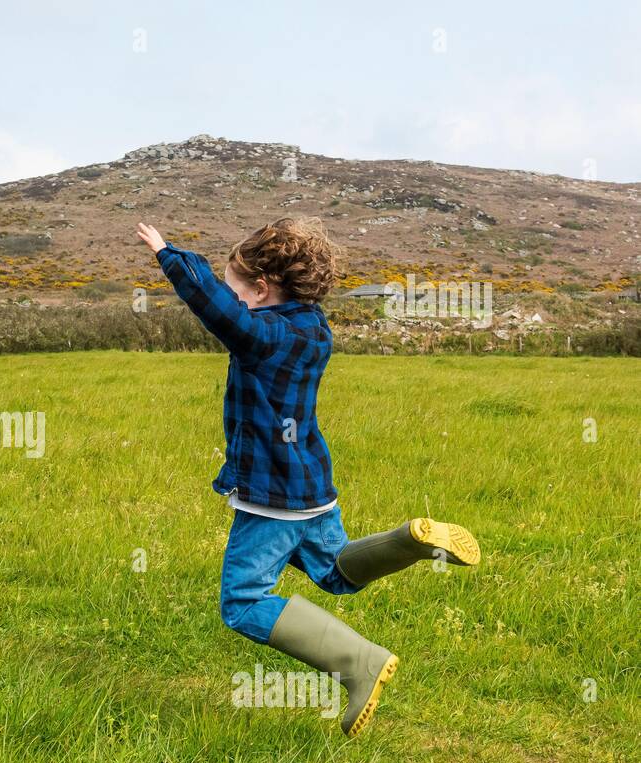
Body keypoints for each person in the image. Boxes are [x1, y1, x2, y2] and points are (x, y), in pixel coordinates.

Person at [137, 217, 480, 736]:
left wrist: (169, 255)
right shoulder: (314, 328)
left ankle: (359, 663)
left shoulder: (262, 337)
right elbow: (234, 309)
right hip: (313, 489)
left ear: (260, 289)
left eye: (238, 290)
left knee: (244, 601)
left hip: (271, 496)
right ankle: (412, 543)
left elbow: (220, 312)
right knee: (338, 573)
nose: (233, 300)